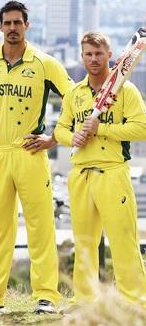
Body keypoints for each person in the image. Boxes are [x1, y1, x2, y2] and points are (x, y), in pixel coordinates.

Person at [0, 1, 73, 314]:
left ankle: (46, 296)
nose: (12, 28)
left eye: (18, 23)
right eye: (7, 23)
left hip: (29, 154)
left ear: (27, 25)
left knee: (40, 226)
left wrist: (52, 137)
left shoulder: (45, 63)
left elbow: (74, 99)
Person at [54, 31, 146, 307]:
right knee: (84, 242)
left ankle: (135, 302)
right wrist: (74, 137)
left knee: (123, 240)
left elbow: (141, 128)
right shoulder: (74, 93)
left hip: (112, 173)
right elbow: (59, 129)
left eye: (98, 53)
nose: (94, 59)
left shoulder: (126, 90)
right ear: (82, 57)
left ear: (109, 55)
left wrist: (100, 129)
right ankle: (85, 300)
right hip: (80, 174)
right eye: (88, 54)